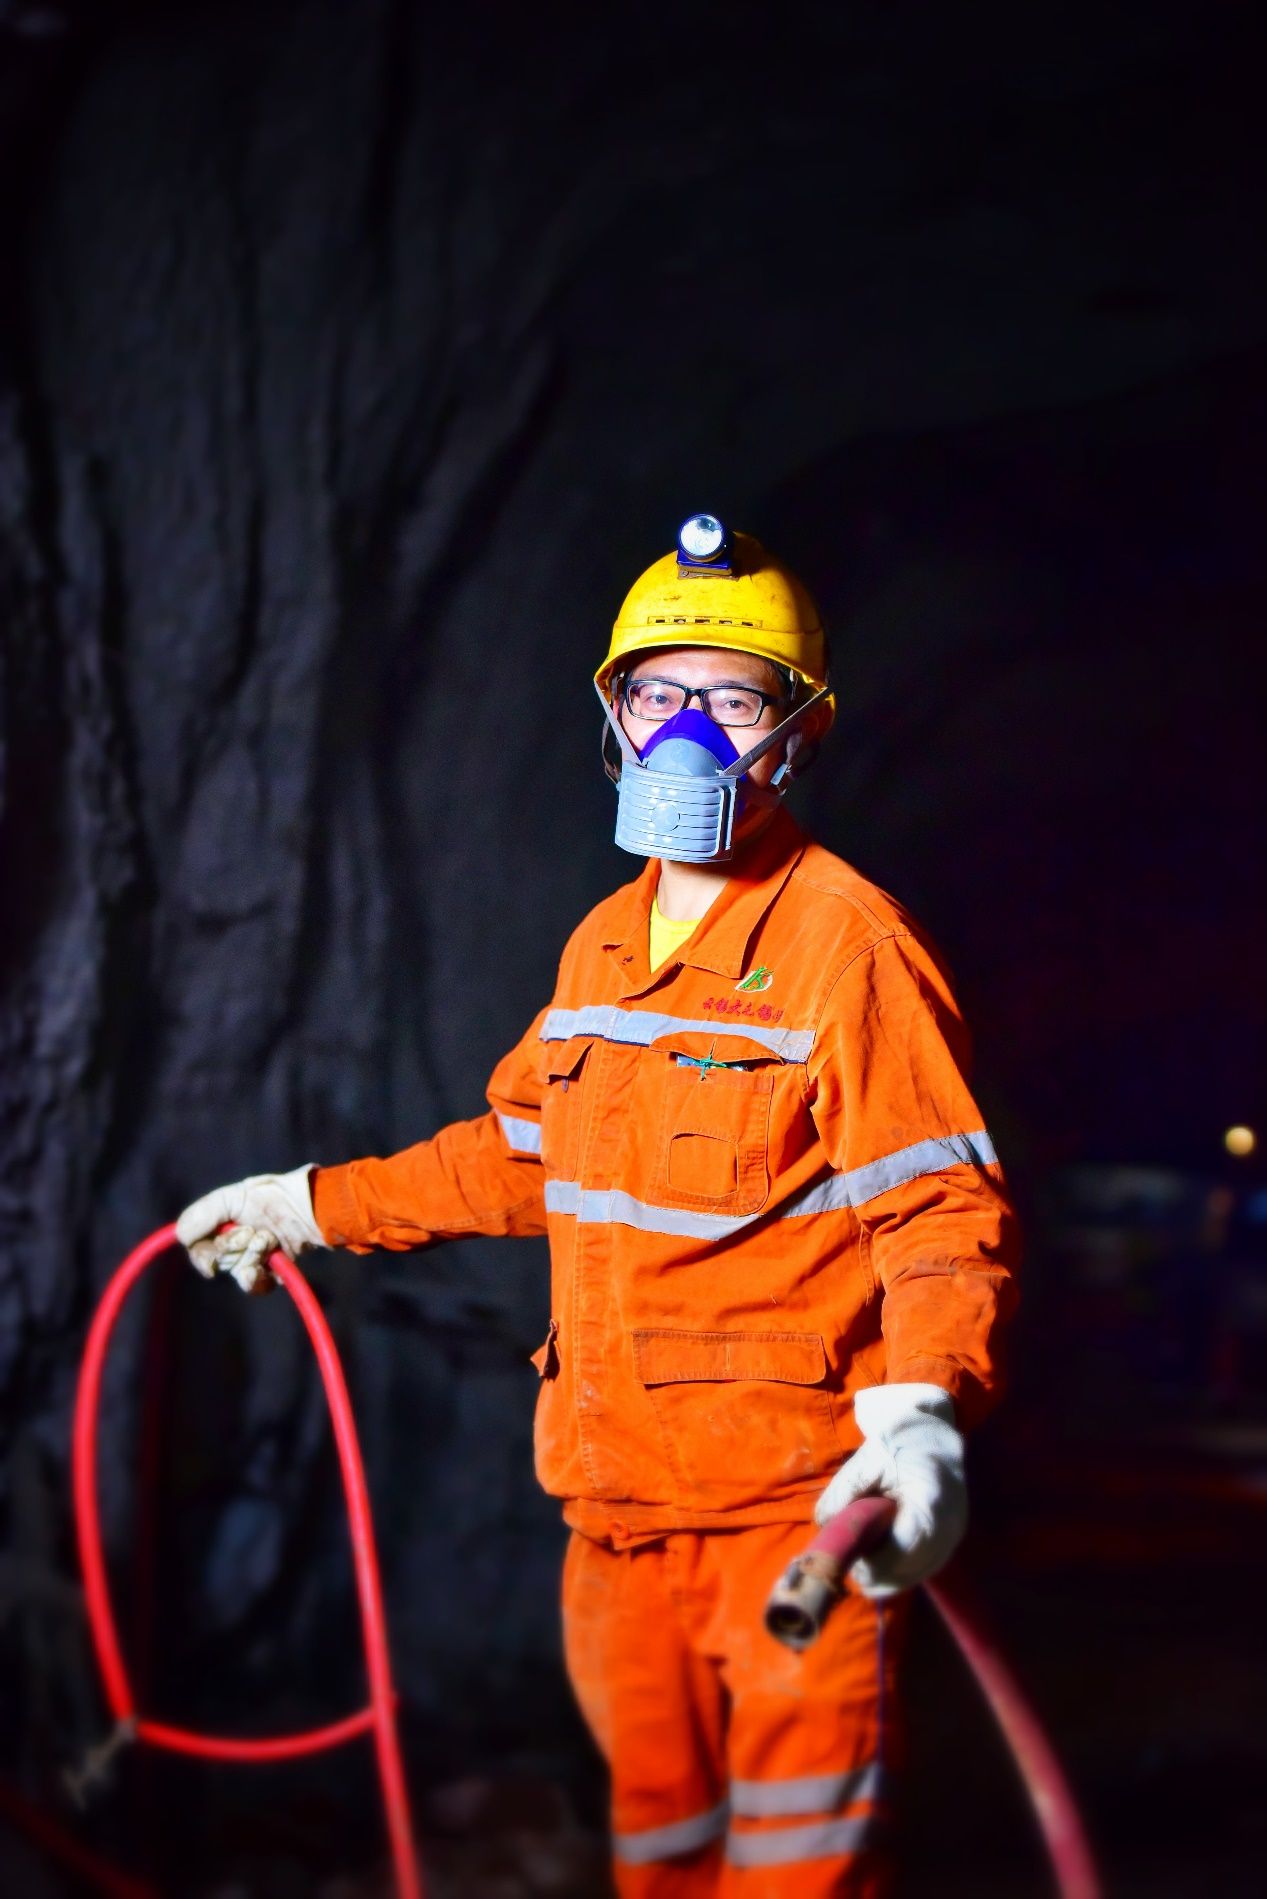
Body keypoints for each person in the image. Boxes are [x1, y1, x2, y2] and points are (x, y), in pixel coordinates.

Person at [177, 515, 1019, 1896]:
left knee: (797, 1872)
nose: (686, 728)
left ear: (796, 733)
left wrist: (923, 1410)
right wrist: (311, 1207)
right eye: (658, 691)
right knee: (660, 1856)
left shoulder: (849, 950)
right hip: (615, 1520)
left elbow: (939, 1210)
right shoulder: (605, 945)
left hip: (787, 1515)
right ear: (615, 714)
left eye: (731, 701)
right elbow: (520, 1158)